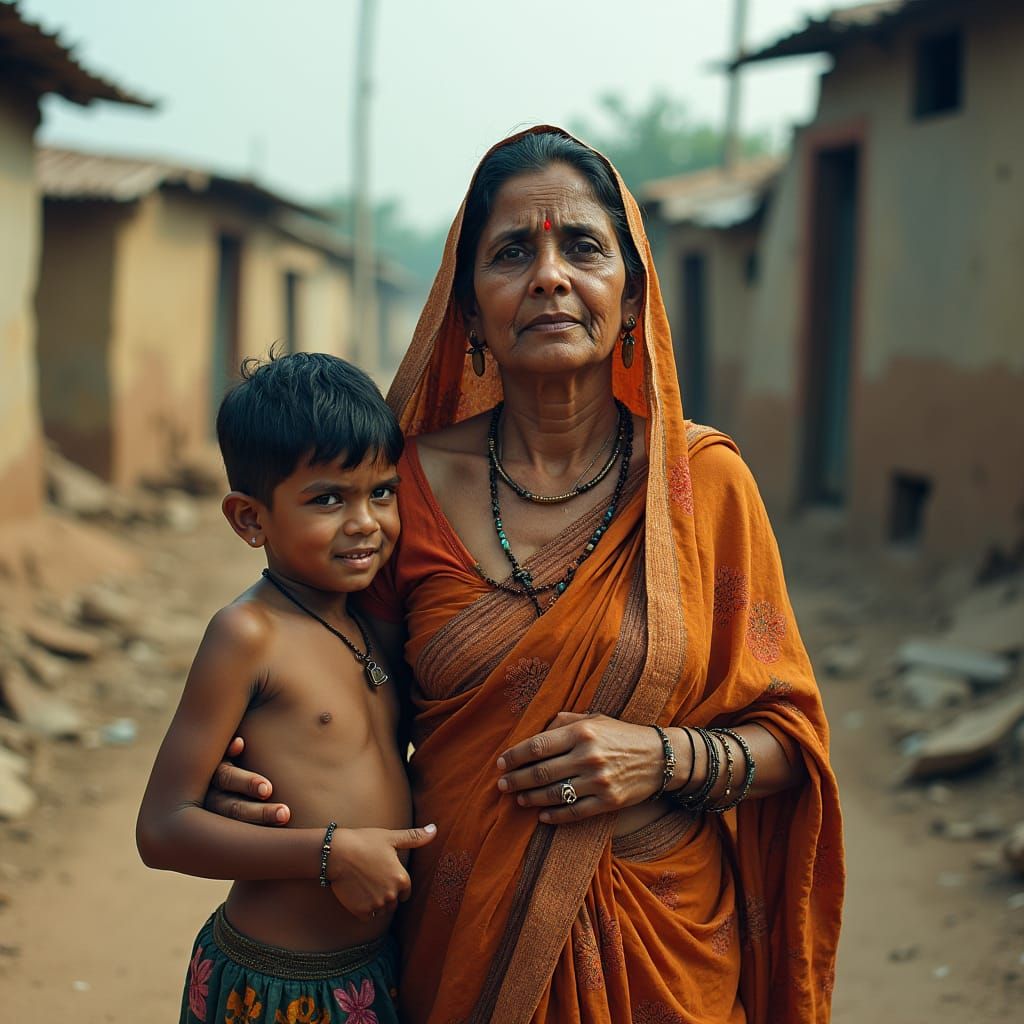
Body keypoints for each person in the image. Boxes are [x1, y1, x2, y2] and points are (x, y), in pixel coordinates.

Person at [206, 128, 844, 1023]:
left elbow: (790, 741)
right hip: (463, 937)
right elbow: (344, 694)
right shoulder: (402, 489)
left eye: (583, 247)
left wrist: (661, 758)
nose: (549, 276)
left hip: (666, 950)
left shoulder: (702, 487)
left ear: (631, 296)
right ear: (467, 310)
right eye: (512, 252)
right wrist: (249, 770)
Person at [136, 352, 438, 1024]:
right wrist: (329, 853)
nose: (365, 522)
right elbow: (161, 828)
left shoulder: (372, 622)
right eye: (328, 499)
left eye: (381, 492)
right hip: (272, 983)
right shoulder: (247, 635)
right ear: (250, 520)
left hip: (375, 970)